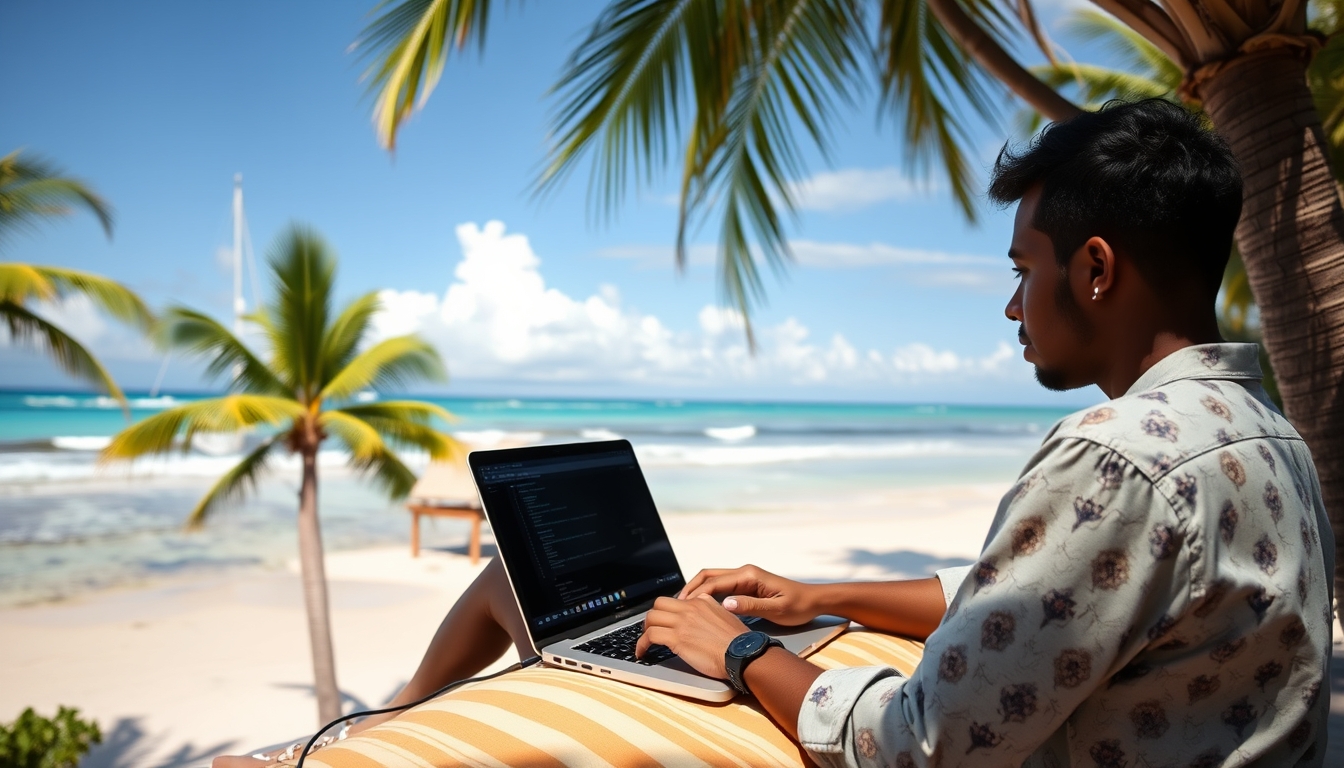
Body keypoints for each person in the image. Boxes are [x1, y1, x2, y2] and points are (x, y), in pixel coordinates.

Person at [221, 98, 1335, 767]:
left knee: (617, 629)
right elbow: (1031, 595)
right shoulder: (1259, 432)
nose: (1010, 308)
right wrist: (816, 598)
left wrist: (743, 654)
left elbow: (918, 748)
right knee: (531, 592)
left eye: (1022, 273)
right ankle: (387, 725)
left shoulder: (1119, 460)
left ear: (1095, 271)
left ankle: (368, 740)